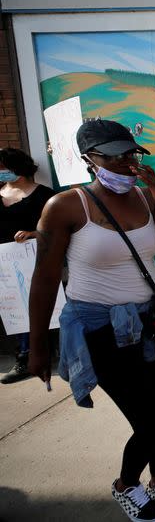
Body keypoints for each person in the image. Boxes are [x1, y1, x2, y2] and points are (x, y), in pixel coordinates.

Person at [27, 119, 155, 521]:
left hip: (149, 322)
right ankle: (126, 484)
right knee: (147, 417)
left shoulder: (143, 197)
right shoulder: (66, 206)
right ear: (89, 160)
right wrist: (37, 347)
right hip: (98, 327)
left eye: (129, 153)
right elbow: (45, 276)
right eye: (113, 155)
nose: (124, 162)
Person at [0, 148, 55, 384]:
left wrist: (34, 234)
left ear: (16, 170)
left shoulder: (44, 196)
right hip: (3, 265)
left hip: (31, 263)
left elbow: (56, 231)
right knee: (11, 310)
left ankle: (27, 355)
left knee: (29, 310)